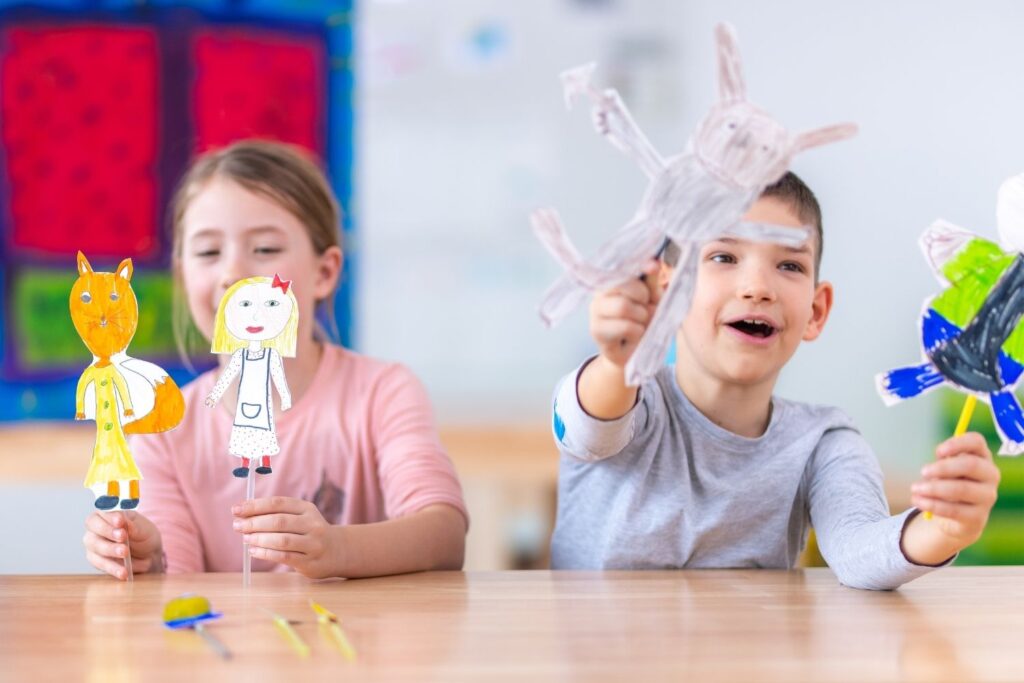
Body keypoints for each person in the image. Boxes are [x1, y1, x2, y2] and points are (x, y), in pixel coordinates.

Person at [549, 172, 1000, 589]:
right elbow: (587, 429)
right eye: (723, 256)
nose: (757, 286)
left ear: (816, 310)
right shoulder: (627, 399)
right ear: (667, 292)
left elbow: (859, 553)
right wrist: (616, 364)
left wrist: (941, 528)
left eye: (789, 266)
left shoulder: (824, 442)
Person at [82, 140, 468, 580]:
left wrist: (338, 549)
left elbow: (444, 535)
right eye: (208, 252)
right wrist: (144, 557)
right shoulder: (163, 429)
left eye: (264, 249)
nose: (233, 274)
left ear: (324, 273)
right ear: (183, 275)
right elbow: (176, 584)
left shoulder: (383, 393)